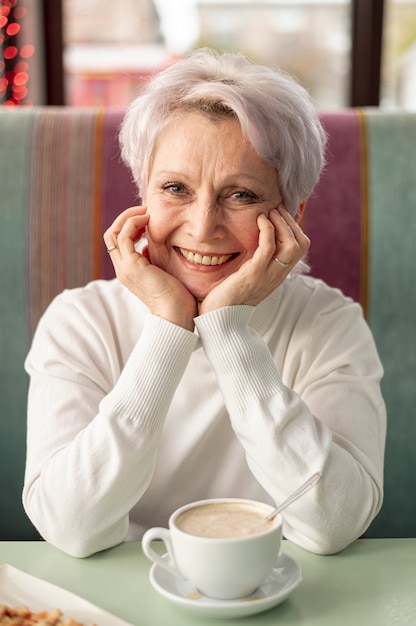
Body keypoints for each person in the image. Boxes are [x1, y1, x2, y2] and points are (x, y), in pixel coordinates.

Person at [23, 48, 386, 558]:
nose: (201, 226)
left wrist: (228, 330)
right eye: (175, 188)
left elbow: (335, 522)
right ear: (143, 194)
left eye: (240, 195)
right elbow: (70, 527)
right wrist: (169, 329)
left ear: (293, 214)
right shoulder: (80, 321)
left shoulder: (330, 324)